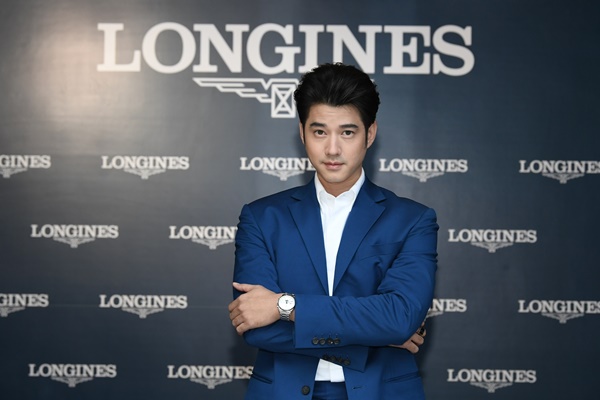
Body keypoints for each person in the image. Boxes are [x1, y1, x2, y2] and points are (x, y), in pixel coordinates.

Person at [228, 63, 438, 400]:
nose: (333, 149)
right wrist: (375, 338)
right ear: (302, 133)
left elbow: (400, 318)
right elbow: (256, 326)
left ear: (370, 133)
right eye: (320, 132)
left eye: (348, 132)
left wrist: (284, 306)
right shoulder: (262, 217)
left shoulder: (412, 220)